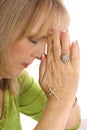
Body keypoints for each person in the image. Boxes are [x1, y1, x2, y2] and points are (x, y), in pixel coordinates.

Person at [0, 0, 81, 130]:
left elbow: (70, 123)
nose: (40, 54)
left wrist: (66, 91)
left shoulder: (14, 82)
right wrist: (61, 99)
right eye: (34, 40)